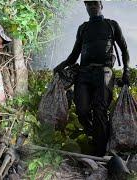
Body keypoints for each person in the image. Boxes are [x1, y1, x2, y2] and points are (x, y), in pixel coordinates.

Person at [54, 1, 130, 156]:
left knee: (100, 110)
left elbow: (124, 50)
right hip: (84, 73)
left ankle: (100, 153)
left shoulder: (111, 25)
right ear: (86, 8)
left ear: (101, 5)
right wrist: (60, 66)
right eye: (88, 4)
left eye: (95, 3)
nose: (92, 6)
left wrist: (126, 71)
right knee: (82, 110)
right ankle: (95, 135)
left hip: (104, 73)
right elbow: (74, 55)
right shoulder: (83, 28)